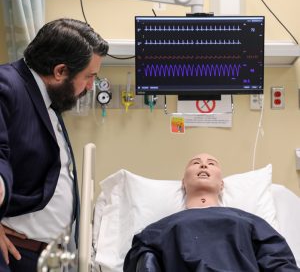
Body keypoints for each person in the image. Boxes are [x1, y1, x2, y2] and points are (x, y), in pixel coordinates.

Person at [0, 18, 109, 271]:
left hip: (45, 256)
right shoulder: (8, 87)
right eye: (89, 76)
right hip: (15, 255)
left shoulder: (44, 99)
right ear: (60, 71)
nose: (91, 86)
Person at [124, 153, 300, 272]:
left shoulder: (248, 222)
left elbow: (279, 262)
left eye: (211, 164)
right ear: (183, 183)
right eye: (195, 163)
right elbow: (142, 262)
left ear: (222, 185)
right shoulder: (160, 229)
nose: (203, 164)